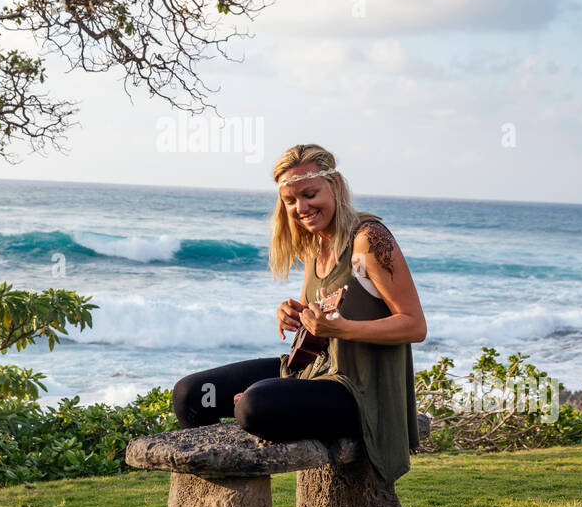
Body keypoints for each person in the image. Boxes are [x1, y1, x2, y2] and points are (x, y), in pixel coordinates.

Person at [172, 143, 427, 488]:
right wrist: (294, 312)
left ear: (334, 185)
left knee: (253, 406)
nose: (301, 208)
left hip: (361, 392)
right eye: (290, 201)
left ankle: (259, 407)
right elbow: (319, 312)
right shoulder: (315, 244)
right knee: (190, 394)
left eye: (309, 194)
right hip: (311, 372)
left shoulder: (369, 239)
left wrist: (343, 328)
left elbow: (414, 325)